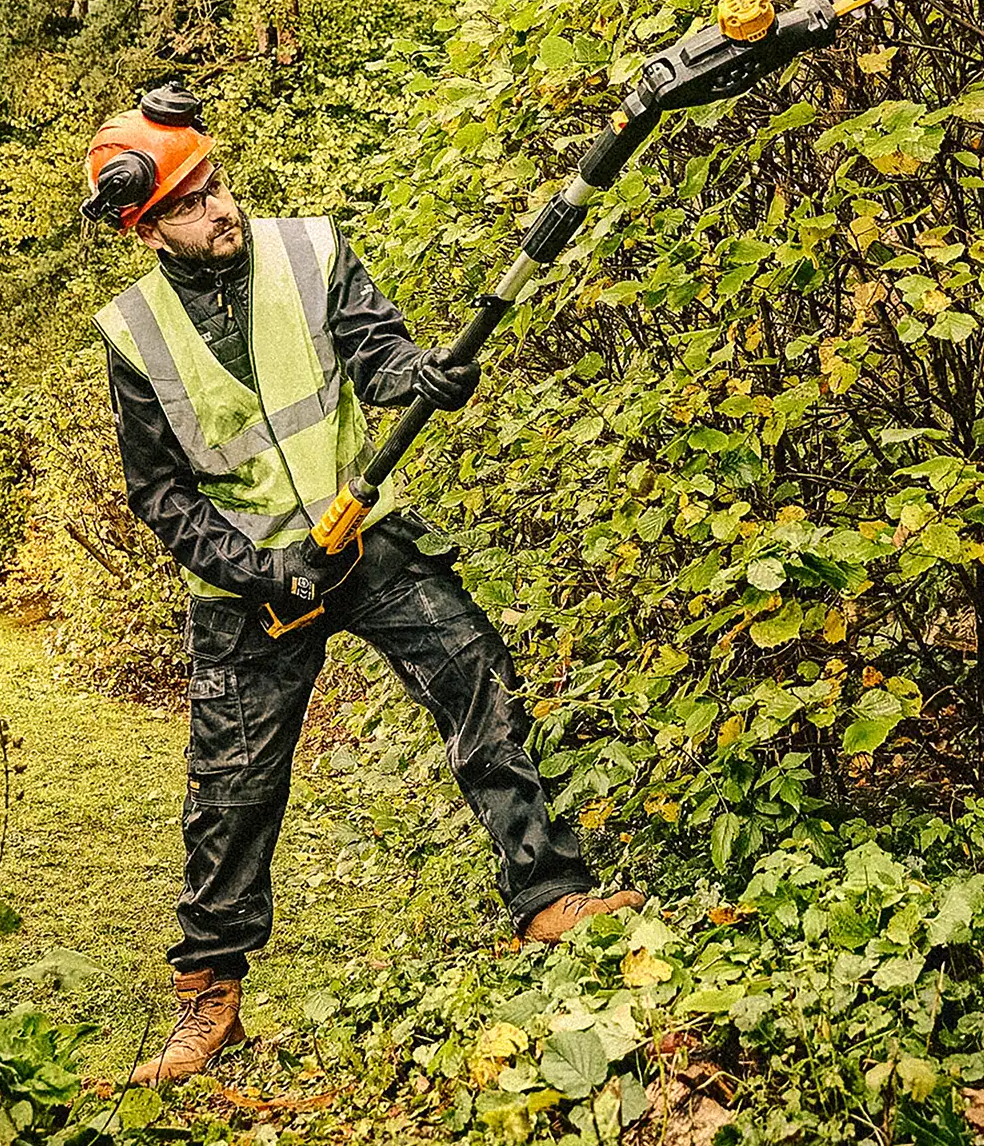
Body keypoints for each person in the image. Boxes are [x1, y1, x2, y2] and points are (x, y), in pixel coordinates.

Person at [86, 82, 642, 1086]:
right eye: (191, 202)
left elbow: (376, 352)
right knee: (232, 792)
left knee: (475, 672)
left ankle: (552, 899)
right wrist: (261, 570)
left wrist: (418, 376)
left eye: (216, 184)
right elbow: (159, 494)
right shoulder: (134, 331)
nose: (221, 209)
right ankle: (209, 1005)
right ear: (145, 227)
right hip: (248, 589)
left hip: (361, 537)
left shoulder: (308, 251)